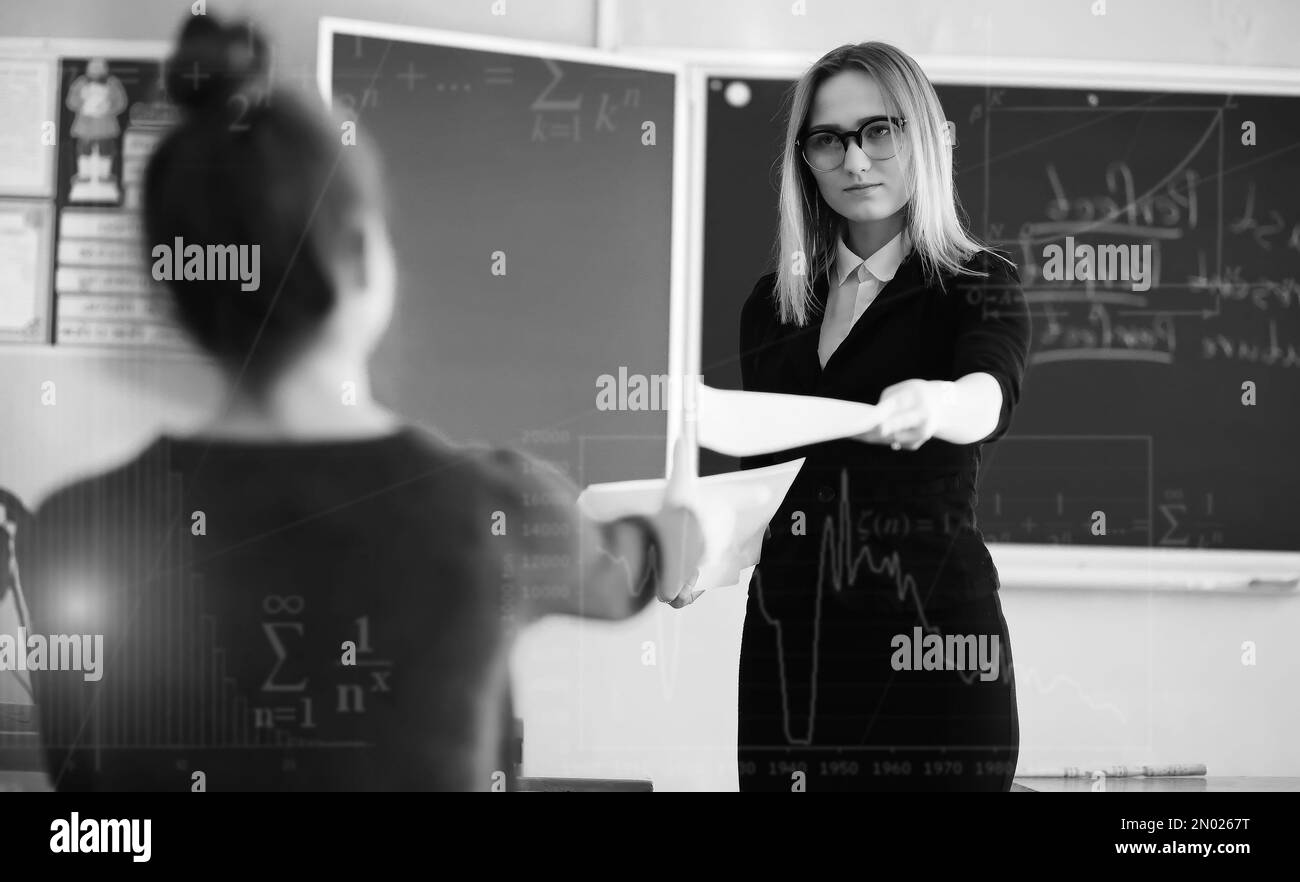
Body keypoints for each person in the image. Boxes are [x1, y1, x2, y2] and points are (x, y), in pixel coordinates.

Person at [20, 14, 707, 792]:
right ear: (362, 260)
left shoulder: (74, 530)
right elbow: (631, 572)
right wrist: (682, 524)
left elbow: (88, 809)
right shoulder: (493, 511)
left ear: (173, 290)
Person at [714, 42, 1031, 791]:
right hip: (793, 654)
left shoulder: (975, 281)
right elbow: (765, 485)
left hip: (932, 648)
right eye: (829, 139)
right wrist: (704, 558)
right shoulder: (774, 303)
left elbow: (990, 394)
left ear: (920, 135)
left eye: (879, 131)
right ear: (805, 159)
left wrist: (937, 403)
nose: (855, 161)